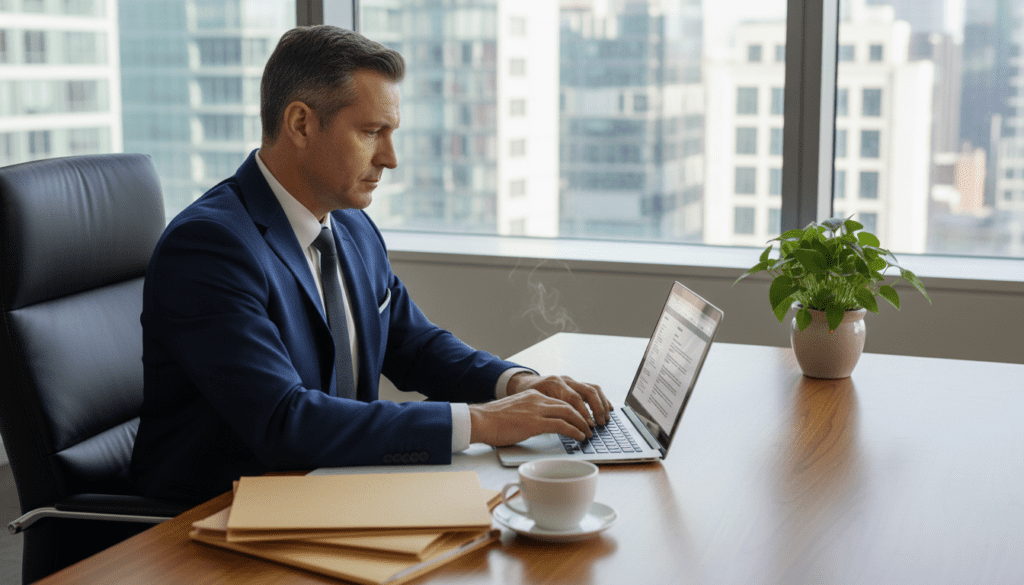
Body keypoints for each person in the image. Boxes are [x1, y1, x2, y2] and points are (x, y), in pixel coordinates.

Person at [130, 25, 611, 504]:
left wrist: (516, 383)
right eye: (371, 132)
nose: (391, 158)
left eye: (391, 133)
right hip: (219, 522)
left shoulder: (350, 227)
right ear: (300, 123)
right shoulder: (210, 248)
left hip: (335, 494)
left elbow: (413, 343)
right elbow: (285, 421)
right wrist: (485, 422)